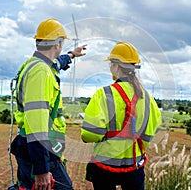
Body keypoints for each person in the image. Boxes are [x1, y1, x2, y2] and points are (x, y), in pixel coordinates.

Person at [11, 17, 86, 190]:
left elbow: (58, 63)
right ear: (58, 44)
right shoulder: (40, 72)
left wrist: (73, 54)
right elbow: (37, 123)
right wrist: (41, 169)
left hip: (35, 148)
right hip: (39, 151)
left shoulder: (38, 64)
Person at [81, 42, 161, 190]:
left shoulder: (104, 94)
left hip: (104, 167)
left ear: (117, 66)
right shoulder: (147, 98)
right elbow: (151, 131)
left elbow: (89, 134)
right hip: (134, 167)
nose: (110, 68)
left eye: (111, 64)